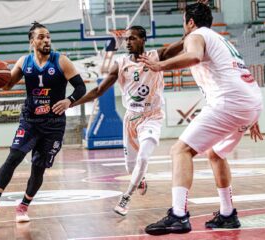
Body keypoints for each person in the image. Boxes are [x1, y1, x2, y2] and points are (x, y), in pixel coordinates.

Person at [139, 3, 263, 235]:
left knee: (180, 150)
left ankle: (178, 215)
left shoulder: (195, 35)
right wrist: (252, 114)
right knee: (216, 154)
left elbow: (194, 57)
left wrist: (159, 66)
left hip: (231, 102)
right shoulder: (219, 38)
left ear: (191, 22)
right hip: (251, 101)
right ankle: (227, 214)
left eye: (184, 21)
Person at [0, 22, 86, 223]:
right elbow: (8, 84)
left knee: (38, 168)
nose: (46, 40)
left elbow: (80, 88)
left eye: (48, 37)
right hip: (30, 120)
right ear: (32, 41)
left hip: (53, 124)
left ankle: (23, 206)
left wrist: (68, 101)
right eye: (41, 37)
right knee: (14, 156)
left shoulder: (61, 61)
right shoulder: (23, 62)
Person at [71, 25, 184, 216]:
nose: (127, 42)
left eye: (132, 38)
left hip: (152, 117)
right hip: (131, 119)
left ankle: (126, 197)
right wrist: (71, 103)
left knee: (144, 156)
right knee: (131, 167)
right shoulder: (121, 63)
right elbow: (98, 91)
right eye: (126, 39)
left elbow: (182, 44)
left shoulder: (156, 57)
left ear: (143, 39)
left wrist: (193, 23)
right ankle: (140, 179)